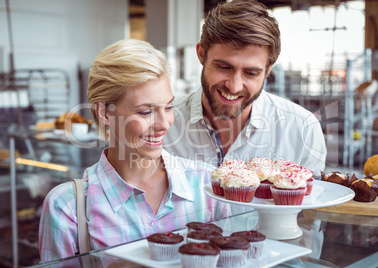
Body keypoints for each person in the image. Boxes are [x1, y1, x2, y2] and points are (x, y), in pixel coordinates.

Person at [38, 39, 229, 262]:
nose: (164, 124)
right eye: (146, 112)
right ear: (105, 113)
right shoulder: (67, 208)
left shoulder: (208, 185)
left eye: (167, 107)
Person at [164, 0, 327, 177]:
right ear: (201, 54)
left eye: (250, 73)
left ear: (267, 71)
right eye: (224, 67)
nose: (234, 87)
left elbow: (312, 202)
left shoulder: (302, 129)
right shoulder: (162, 125)